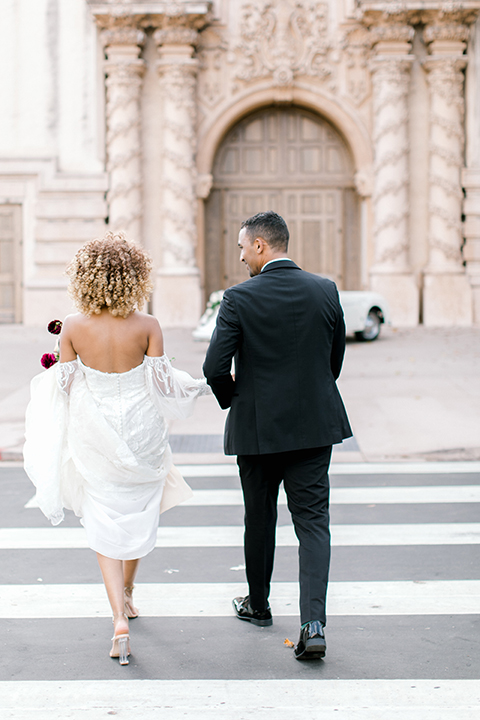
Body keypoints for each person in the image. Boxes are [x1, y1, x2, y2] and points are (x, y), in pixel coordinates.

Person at [24, 232, 209, 665]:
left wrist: (59, 358)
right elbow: (163, 387)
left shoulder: (72, 325)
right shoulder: (148, 326)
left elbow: (66, 387)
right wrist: (197, 388)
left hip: (96, 430)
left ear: (85, 277)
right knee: (139, 510)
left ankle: (117, 621)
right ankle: (128, 593)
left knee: (105, 518)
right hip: (142, 429)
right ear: (134, 277)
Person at [203, 211, 352, 660]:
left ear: (262, 246)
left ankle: (259, 604)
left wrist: (237, 399)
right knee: (313, 523)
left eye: (243, 247)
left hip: (258, 430)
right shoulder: (325, 290)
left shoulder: (237, 298)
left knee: (260, 517)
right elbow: (334, 361)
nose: (242, 256)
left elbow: (214, 368)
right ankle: (313, 624)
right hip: (313, 426)